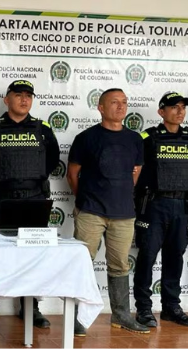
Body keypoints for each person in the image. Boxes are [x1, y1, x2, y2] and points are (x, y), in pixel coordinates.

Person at [0, 80, 59, 330]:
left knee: (33, 258)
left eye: (28, 96)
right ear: (6, 99)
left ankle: (31, 308)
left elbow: (52, 161)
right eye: (18, 95)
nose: (24, 100)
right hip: (1, 200)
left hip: (34, 200)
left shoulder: (43, 130)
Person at [67, 88, 148, 336]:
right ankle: (77, 319)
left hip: (123, 213)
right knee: (82, 264)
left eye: (124, 102)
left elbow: (135, 173)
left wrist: (119, 194)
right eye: (114, 102)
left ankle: (121, 316)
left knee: (120, 266)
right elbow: (72, 173)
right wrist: (86, 199)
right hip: (91, 211)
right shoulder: (86, 138)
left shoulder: (135, 139)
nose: (121, 106)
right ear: (101, 107)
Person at [133, 92, 188, 327]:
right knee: (147, 257)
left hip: (181, 206)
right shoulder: (148, 138)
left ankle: (171, 307)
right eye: (173, 107)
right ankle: (144, 309)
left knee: (175, 258)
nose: (180, 111)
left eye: (182, 107)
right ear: (161, 112)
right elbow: (135, 173)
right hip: (154, 205)